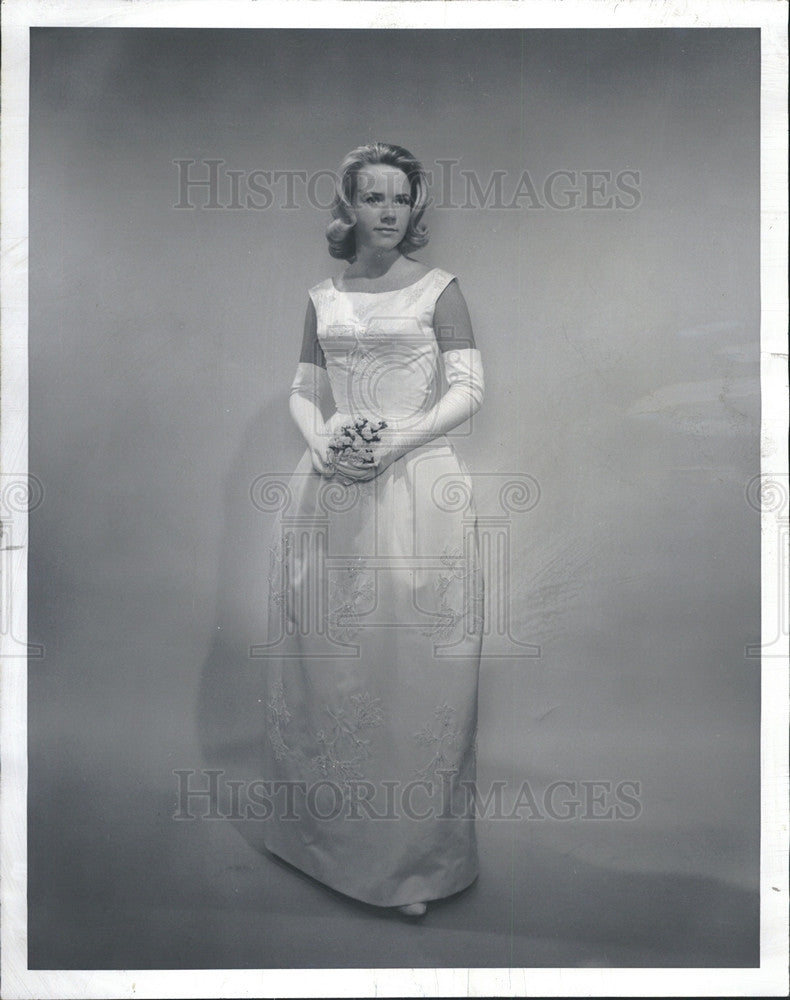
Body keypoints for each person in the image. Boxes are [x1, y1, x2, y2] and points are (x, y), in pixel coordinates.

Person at [262, 141, 485, 918]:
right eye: (374, 198)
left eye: (401, 199)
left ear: (413, 208)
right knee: (329, 665)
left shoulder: (438, 289)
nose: (388, 212)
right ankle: (322, 845)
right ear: (348, 206)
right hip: (330, 485)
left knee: (414, 668)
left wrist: (398, 440)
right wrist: (318, 439)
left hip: (418, 483)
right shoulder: (323, 296)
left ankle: (410, 866)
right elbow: (301, 389)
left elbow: (470, 388)